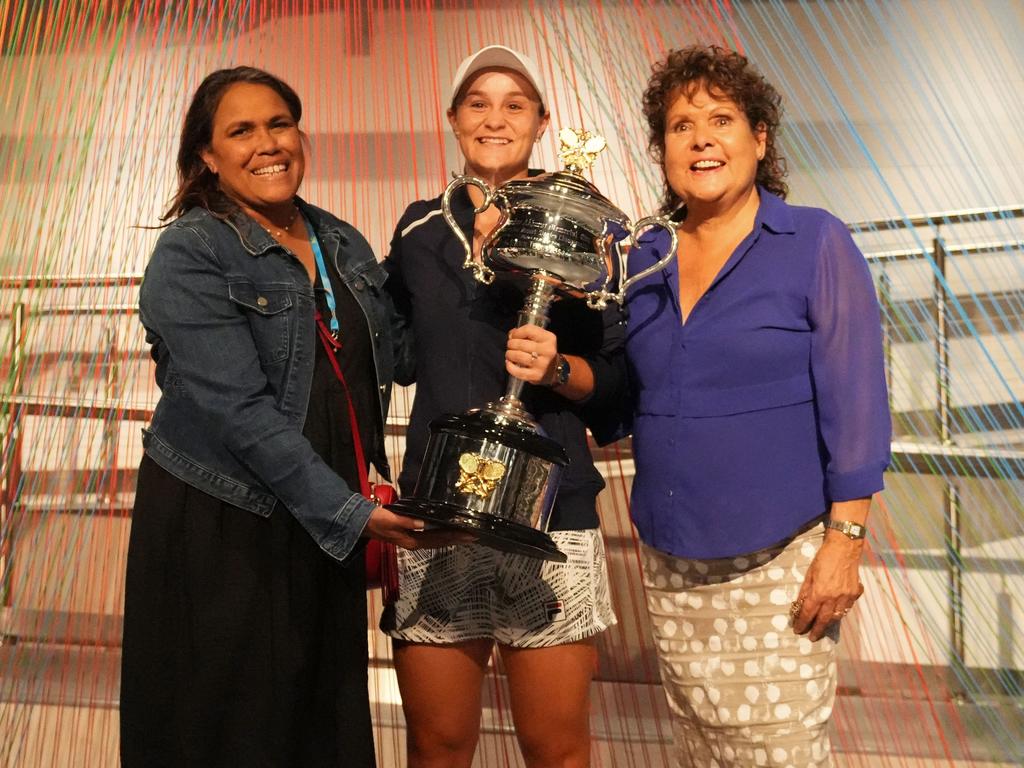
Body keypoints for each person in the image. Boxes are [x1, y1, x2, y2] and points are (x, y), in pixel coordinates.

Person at [120, 66, 453, 767]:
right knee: (233, 731)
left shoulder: (341, 241)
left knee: (316, 722)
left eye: (279, 124)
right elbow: (240, 414)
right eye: (240, 131)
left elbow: (403, 356)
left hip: (319, 523)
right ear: (207, 155)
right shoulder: (192, 253)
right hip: (225, 527)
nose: (267, 143)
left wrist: (466, 257)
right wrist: (350, 512)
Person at [618, 46, 892, 767]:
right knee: (702, 750)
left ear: (759, 138)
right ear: (663, 149)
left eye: (721, 118)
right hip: (673, 558)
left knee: (780, 754)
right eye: (681, 125)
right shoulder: (642, 256)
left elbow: (856, 403)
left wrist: (844, 545)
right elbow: (623, 395)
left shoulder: (814, 241)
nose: (701, 137)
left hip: (785, 558)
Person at [380, 45, 626, 768]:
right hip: (438, 512)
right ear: (452, 119)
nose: (495, 118)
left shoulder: (583, 229)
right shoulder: (420, 230)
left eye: (515, 103)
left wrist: (559, 369)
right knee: (438, 745)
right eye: (478, 103)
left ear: (542, 122)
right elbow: (393, 353)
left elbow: (615, 382)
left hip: (553, 511)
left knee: (556, 750)